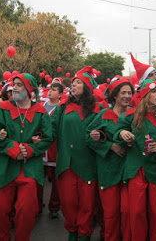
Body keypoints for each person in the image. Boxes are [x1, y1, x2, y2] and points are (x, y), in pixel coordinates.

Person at [0, 73, 53, 241]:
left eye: (19, 85)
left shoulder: (39, 111)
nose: (14, 88)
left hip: (29, 169)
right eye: (14, 84)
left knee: (26, 211)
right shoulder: (3, 108)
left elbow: (48, 137)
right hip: (5, 167)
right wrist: (15, 149)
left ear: (29, 89)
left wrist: (31, 149)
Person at [114, 79, 156, 241]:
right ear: (145, 95)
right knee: (137, 212)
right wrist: (122, 135)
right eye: (154, 92)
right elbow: (118, 131)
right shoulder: (131, 115)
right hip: (136, 169)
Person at [51, 66, 102, 241]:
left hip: (88, 163)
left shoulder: (98, 108)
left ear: (87, 86)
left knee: (87, 203)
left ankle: (84, 233)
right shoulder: (63, 106)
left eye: (78, 82)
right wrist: (37, 136)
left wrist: (100, 136)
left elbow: (105, 130)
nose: (74, 85)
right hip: (67, 163)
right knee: (68, 202)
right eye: (73, 82)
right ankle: (72, 231)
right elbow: (50, 127)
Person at [87, 77, 134, 241]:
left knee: (129, 213)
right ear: (114, 96)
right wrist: (110, 146)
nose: (127, 96)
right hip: (108, 171)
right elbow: (89, 137)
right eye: (123, 93)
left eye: (129, 92)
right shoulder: (103, 115)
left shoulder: (135, 114)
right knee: (111, 214)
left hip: (130, 171)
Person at [37, 82, 63, 218]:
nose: (50, 91)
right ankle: (37, 205)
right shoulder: (40, 106)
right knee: (38, 180)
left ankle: (54, 206)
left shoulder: (61, 109)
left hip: (55, 149)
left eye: (54, 90)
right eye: (50, 89)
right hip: (40, 148)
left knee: (56, 181)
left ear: (60, 94)